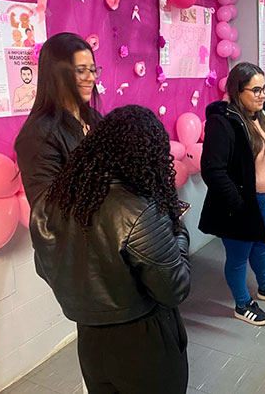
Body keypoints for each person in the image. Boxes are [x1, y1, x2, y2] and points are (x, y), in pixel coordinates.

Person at [31, 105, 190, 393]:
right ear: (149, 156)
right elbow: (173, 289)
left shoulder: (52, 200)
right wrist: (178, 230)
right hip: (144, 340)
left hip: (90, 339)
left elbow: (45, 267)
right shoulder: (139, 211)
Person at [200, 62, 265, 326]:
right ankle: (242, 304)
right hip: (239, 204)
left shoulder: (261, 116)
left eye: (264, 88)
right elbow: (213, 170)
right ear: (237, 91)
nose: (262, 95)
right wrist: (239, 203)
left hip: (261, 199)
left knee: (263, 246)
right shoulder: (223, 122)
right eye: (255, 90)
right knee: (239, 257)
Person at [15, 32, 102, 207]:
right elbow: (48, 209)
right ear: (57, 75)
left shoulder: (94, 118)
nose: (91, 78)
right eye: (81, 71)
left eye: (93, 70)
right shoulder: (37, 135)